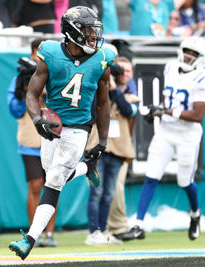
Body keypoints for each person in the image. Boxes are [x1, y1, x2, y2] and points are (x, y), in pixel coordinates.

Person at [8, 6, 113, 260]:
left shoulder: (102, 59)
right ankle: (87, 168)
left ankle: (30, 240)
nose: (93, 37)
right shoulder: (51, 53)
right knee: (51, 173)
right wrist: (36, 119)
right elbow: (32, 94)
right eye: (88, 31)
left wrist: (104, 140)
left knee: (54, 180)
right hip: (53, 125)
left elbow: (103, 104)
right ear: (73, 32)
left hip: (79, 128)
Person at [123, 36, 205, 241]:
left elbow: (198, 115)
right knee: (151, 176)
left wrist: (166, 111)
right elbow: (168, 98)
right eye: (187, 51)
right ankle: (138, 224)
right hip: (165, 131)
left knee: (185, 181)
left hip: (187, 135)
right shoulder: (171, 68)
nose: (188, 56)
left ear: (202, 59)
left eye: (194, 54)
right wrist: (158, 112)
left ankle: (195, 214)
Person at [7, 38, 59, 248]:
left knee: (53, 186)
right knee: (36, 186)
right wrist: (25, 92)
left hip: (52, 140)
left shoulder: (54, 74)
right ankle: (33, 233)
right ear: (32, 54)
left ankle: (50, 234)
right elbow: (14, 110)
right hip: (30, 141)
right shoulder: (19, 78)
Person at [84, 56, 139, 245]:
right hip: (98, 147)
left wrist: (114, 89)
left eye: (128, 71)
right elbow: (92, 110)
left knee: (109, 193)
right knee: (96, 191)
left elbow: (128, 111)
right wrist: (106, 85)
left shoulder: (132, 96)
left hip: (118, 150)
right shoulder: (99, 91)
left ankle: (104, 230)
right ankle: (93, 232)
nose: (124, 74)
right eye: (120, 70)